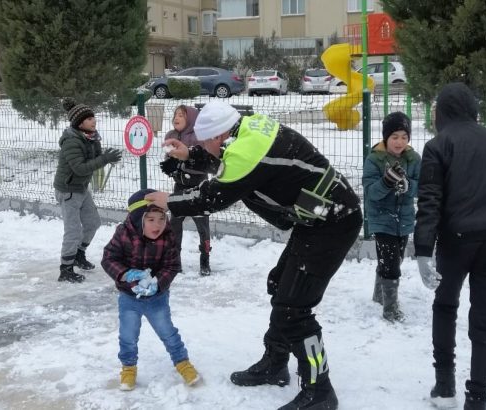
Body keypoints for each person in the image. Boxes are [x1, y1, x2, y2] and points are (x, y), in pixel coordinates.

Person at [145, 100, 362, 410]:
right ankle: (275, 362)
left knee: (294, 307)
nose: (204, 148)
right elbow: (231, 162)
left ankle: (320, 389)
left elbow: (211, 197)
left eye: (204, 143)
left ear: (218, 137)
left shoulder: (244, 153)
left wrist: (170, 200)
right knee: (280, 285)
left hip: (334, 222)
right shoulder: (245, 128)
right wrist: (189, 153)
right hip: (317, 216)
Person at [414, 82, 486, 410]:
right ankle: (477, 399)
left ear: (443, 113)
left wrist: (423, 251)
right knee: (485, 323)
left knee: (445, 306)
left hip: (457, 240)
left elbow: (430, 201)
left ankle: (445, 386)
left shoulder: (438, 145)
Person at [101, 189, 201, 391]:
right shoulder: (124, 233)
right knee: (128, 335)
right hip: (129, 297)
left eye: (162, 218)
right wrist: (126, 275)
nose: (158, 225)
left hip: (157, 298)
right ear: (138, 219)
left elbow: (172, 266)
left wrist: (158, 284)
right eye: (151, 219)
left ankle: (182, 362)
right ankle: (128, 368)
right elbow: (108, 258)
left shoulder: (168, 236)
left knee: (168, 332)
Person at [53, 98, 122, 283]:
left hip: (81, 188)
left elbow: (96, 158)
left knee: (93, 223)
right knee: (73, 230)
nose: (94, 120)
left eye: (93, 116)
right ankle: (65, 268)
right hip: (68, 190)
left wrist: (108, 157)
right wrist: (104, 159)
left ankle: (78, 254)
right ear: (80, 122)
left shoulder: (91, 138)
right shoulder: (71, 141)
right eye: (89, 118)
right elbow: (80, 168)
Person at [362, 111, 420, 322]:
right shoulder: (374, 159)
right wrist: (386, 182)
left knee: (396, 259)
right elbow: (371, 193)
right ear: (386, 137)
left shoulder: (413, 158)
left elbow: (421, 187)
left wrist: (408, 185)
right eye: (395, 137)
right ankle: (390, 309)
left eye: (404, 137)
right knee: (391, 264)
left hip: (403, 219)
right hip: (381, 219)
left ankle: (379, 293)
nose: (399, 142)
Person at [160, 105, 213, 275]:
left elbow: (203, 163)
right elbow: (169, 156)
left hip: (199, 187)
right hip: (180, 186)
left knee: (202, 225)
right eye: (175, 115)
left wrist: (184, 162)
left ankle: (205, 259)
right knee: (175, 224)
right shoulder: (170, 135)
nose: (176, 118)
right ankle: (175, 261)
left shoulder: (199, 137)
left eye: (181, 115)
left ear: (190, 119)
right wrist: (171, 167)